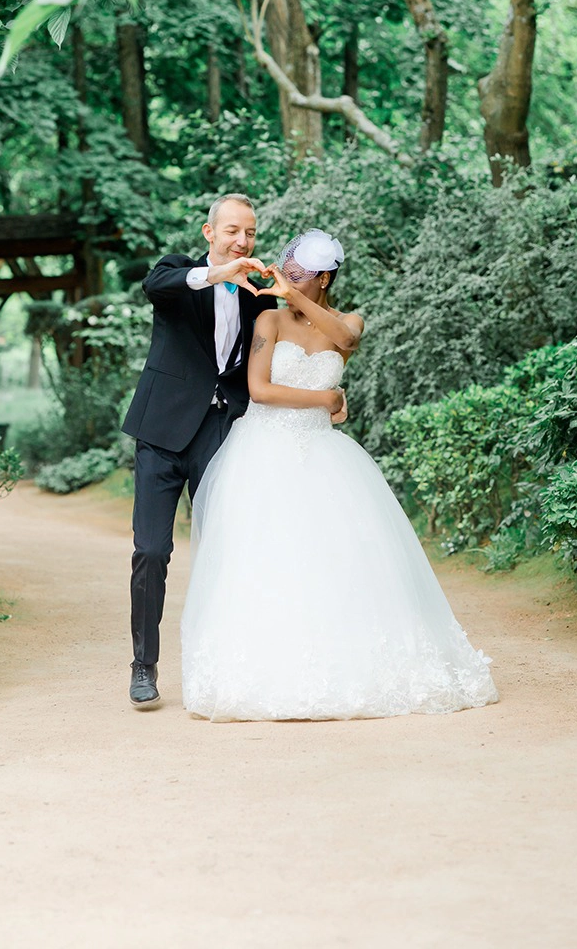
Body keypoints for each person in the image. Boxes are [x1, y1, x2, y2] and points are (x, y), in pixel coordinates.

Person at [180, 229, 499, 721]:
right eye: (286, 273)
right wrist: (325, 399)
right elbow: (260, 390)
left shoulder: (346, 323)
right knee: (268, 555)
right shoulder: (269, 319)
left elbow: (346, 338)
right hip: (264, 450)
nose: (286, 282)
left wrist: (300, 304)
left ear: (324, 277)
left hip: (322, 454)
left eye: (299, 276)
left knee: (335, 556)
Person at [121, 193, 277, 709]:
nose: (242, 241)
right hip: (161, 434)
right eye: (232, 230)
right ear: (210, 233)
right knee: (151, 551)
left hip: (220, 434)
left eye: (250, 233)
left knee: (224, 553)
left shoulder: (260, 296)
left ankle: (225, 665)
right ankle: (144, 666)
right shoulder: (178, 273)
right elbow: (155, 286)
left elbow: (264, 362)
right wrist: (217, 274)